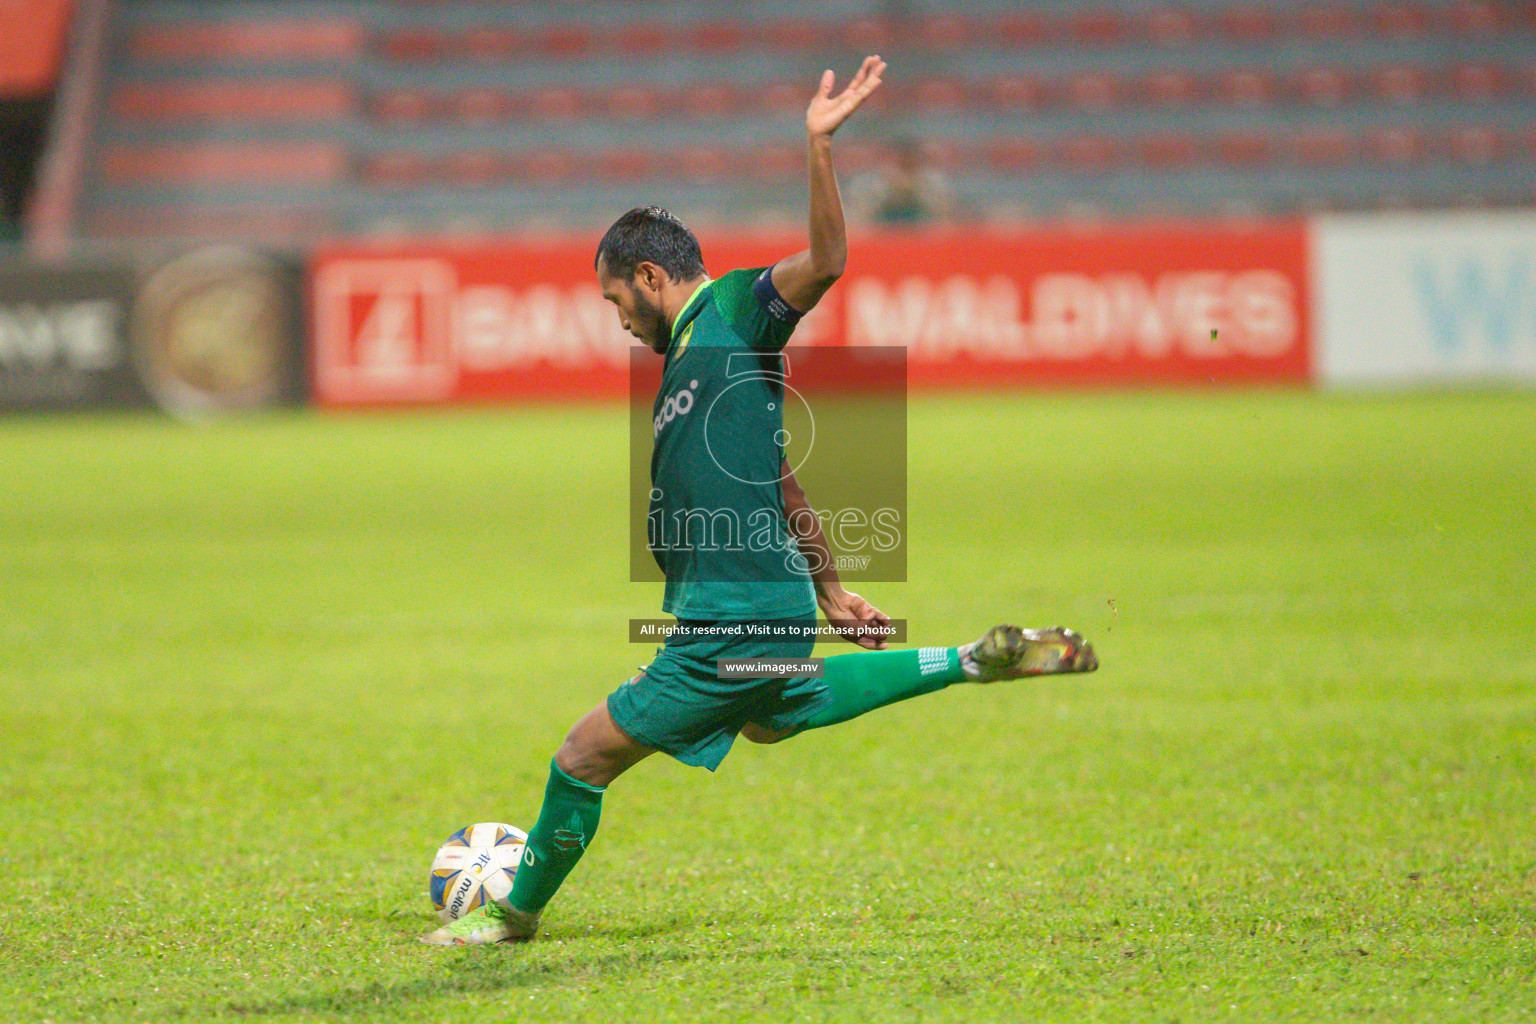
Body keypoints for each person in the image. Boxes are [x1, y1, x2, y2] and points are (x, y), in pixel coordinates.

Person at [421, 56, 1097, 947]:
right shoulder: (696, 364)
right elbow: (778, 479)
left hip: (729, 618)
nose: (616, 317)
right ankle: (971, 660)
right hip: (760, 607)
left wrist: (818, 149)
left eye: (615, 297)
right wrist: (828, 589)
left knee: (581, 759)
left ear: (652, 278)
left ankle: (510, 922)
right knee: (776, 713)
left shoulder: (737, 311)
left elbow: (828, 261)